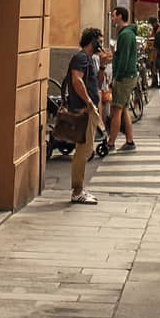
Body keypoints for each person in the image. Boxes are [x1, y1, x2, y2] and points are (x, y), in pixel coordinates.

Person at [66, 27, 106, 203]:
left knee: (86, 149)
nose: (102, 44)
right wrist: (89, 102)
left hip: (88, 109)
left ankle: (79, 188)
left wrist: (103, 65)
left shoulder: (89, 59)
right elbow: (76, 79)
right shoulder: (81, 58)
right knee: (83, 150)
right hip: (84, 110)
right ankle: (77, 191)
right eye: (100, 41)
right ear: (92, 41)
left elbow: (96, 82)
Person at [106, 5, 139, 151]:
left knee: (117, 109)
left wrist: (117, 77)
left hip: (124, 77)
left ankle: (111, 142)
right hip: (129, 75)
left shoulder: (125, 35)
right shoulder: (127, 34)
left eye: (113, 16)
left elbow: (123, 58)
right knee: (123, 108)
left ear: (119, 16)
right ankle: (129, 140)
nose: (112, 19)